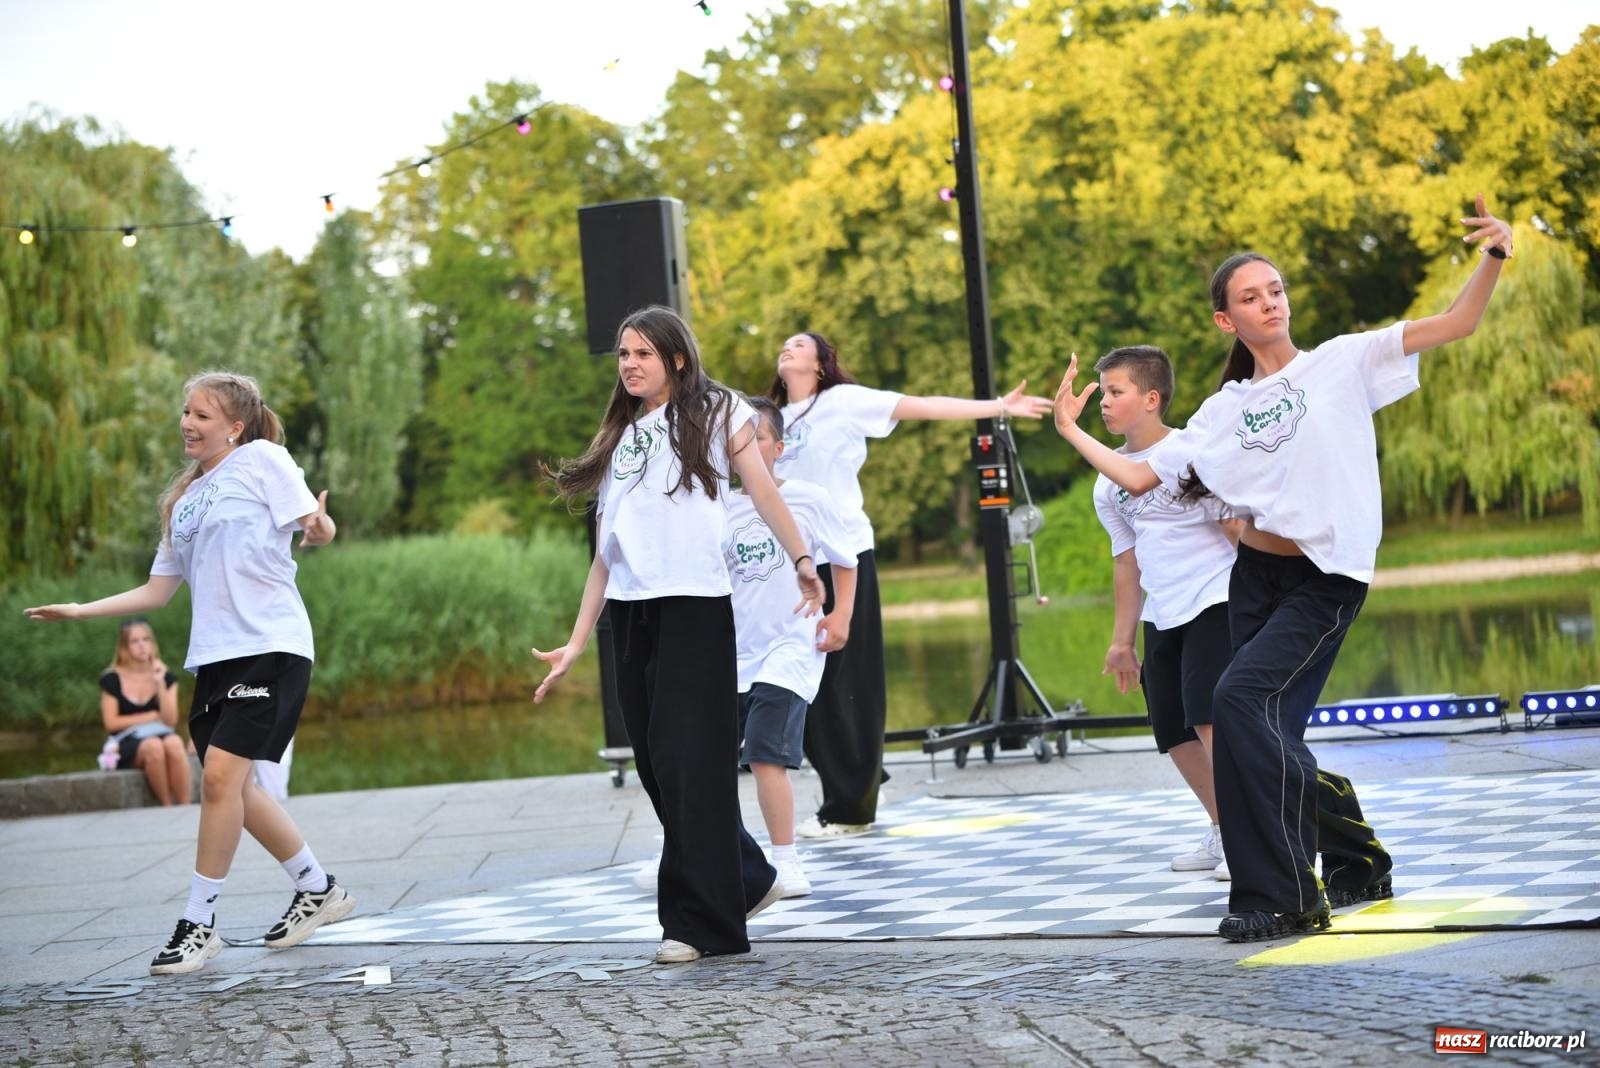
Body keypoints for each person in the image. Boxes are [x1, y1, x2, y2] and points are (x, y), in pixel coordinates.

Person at [1053, 195, 1513, 942]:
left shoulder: (1342, 361)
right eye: (1250, 297)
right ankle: (1357, 859)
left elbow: (1456, 324)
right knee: (1262, 731)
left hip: (1325, 580)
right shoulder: (1224, 409)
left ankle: (1285, 895)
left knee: (1237, 704)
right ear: (1225, 321)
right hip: (1255, 583)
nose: (1270, 303)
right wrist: (1072, 430)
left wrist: (1493, 255)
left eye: (1276, 291)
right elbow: (1140, 479)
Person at [26, 371, 353, 975]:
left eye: (202, 414)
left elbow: (315, 525)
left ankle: (198, 925)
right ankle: (317, 888)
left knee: (224, 780)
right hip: (214, 656)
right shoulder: (184, 500)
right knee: (234, 787)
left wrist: (321, 528)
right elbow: (156, 592)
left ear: (235, 426)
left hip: (271, 645)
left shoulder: (262, 459)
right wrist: (79, 610)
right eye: (185, 412)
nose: (187, 423)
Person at [533, 306, 826, 965]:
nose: (629, 364)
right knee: (661, 769)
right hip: (635, 618)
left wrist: (804, 563)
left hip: (695, 607)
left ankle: (700, 924)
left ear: (678, 359)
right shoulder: (621, 435)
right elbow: (605, 555)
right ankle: (747, 877)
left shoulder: (718, 412)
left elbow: (766, 493)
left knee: (693, 763)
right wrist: (577, 641)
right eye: (621, 354)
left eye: (641, 353)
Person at [769, 332, 1053, 838]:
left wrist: (996, 406)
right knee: (802, 680)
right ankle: (852, 783)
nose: (787, 349)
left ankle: (852, 808)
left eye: (799, 345)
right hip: (794, 563)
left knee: (844, 680)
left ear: (820, 363)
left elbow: (921, 406)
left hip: (842, 556)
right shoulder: (774, 420)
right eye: (785, 345)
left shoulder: (841, 402)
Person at [1089, 346, 1241, 880]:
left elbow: (1235, 529)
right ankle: (1224, 827)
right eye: (1102, 392)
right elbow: (1126, 562)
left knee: (1209, 719)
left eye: (1115, 391)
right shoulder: (1107, 482)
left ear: (1151, 399)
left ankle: (1248, 838)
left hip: (1214, 600)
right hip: (1164, 612)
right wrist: (1121, 640)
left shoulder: (1192, 452)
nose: (1104, 403)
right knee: (1174, 731)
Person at [726, 396, 859, 898]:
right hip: (735, 653)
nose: (746, 447)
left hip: (792, 644)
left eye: (756, 437)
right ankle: (698, 853)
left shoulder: (807, 498)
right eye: (735, 440)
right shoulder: (718, 507)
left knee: (765, 752)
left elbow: (845, 559)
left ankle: (786, 863)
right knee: (709, 760)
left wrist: (840, 614)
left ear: (778, 447)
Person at [99, 619, 190, 806]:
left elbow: (170, 720)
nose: (142, 645)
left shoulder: (166, 677)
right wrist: (150, 716)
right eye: (135, 641)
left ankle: (184, 806)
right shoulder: (112, 678)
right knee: (153, 746)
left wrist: (160, 684)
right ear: (124, 646)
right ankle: (167, 805)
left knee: (174, 743)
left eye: (146, 639)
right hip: (127, 741)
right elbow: (111, 723)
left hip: (161, 734)